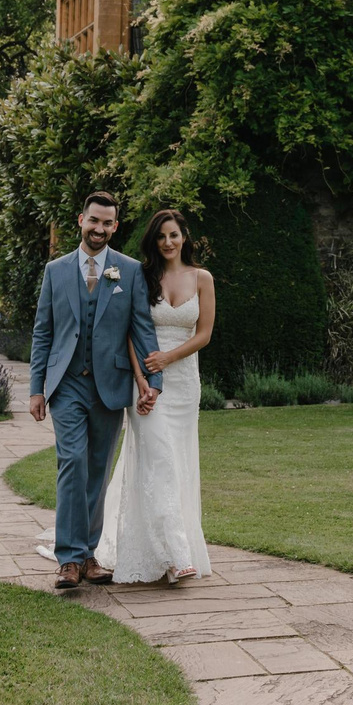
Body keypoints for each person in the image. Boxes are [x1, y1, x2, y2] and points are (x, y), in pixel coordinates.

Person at [29, 191, 158, 591]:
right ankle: (68, 559)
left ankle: (88, 555)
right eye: (93, 221)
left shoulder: (130, 271)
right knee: (72, 462)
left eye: (107, 223)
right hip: (67, 384)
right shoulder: (56, 270)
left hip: (111, 385)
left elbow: (142, 328)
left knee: (98, 471)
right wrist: (37, 388)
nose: (99, 229)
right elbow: (43, 331)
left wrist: (152, 382)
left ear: (115, 227)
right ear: (81, 220)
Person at [96, 208, 218, 585]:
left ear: (185, 237)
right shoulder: (141, 276)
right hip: (146, 382)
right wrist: (143, 377)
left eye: (174, 235)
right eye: (162, 236)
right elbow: (131, 331)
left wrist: (170, 357)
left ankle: (168, 545)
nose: (168, 242)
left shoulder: (202, 278)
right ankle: (176, 557)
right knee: (159, 460)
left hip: (184, 383)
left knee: (176, 463)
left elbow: (204, 334)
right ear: (154, 240)